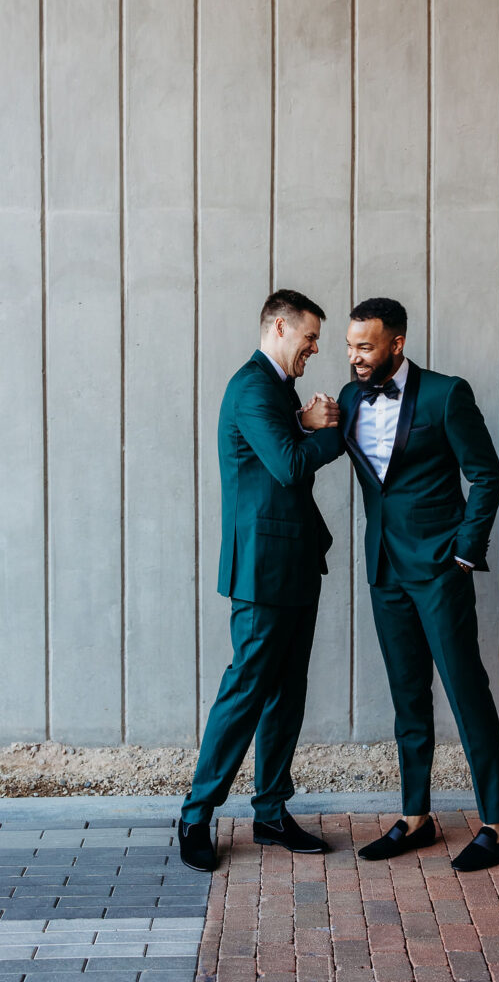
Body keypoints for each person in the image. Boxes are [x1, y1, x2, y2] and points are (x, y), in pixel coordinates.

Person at [338, 297, 499, 872]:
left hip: (440, 567)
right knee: (407, 695)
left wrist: (466, 552)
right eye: (349, 346)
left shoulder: (446, 394)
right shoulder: (347, 398)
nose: (354, 357)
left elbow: (485, 474)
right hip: (384, 569)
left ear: (397, 343)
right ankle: (416, 816)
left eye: (365, 347)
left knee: (466, 690)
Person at [178, 289, 341, 872]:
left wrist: (302, 419)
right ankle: (196, 815)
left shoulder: (278, 391)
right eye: (310, 337)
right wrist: (335, 430)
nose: (315, 349)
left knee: (287, 689)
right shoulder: (250, 385)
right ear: (279, 326)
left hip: (296, 563)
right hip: (262, 569)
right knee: (246, 686)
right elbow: (290, 464)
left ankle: (270, 812)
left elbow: (281, 441)